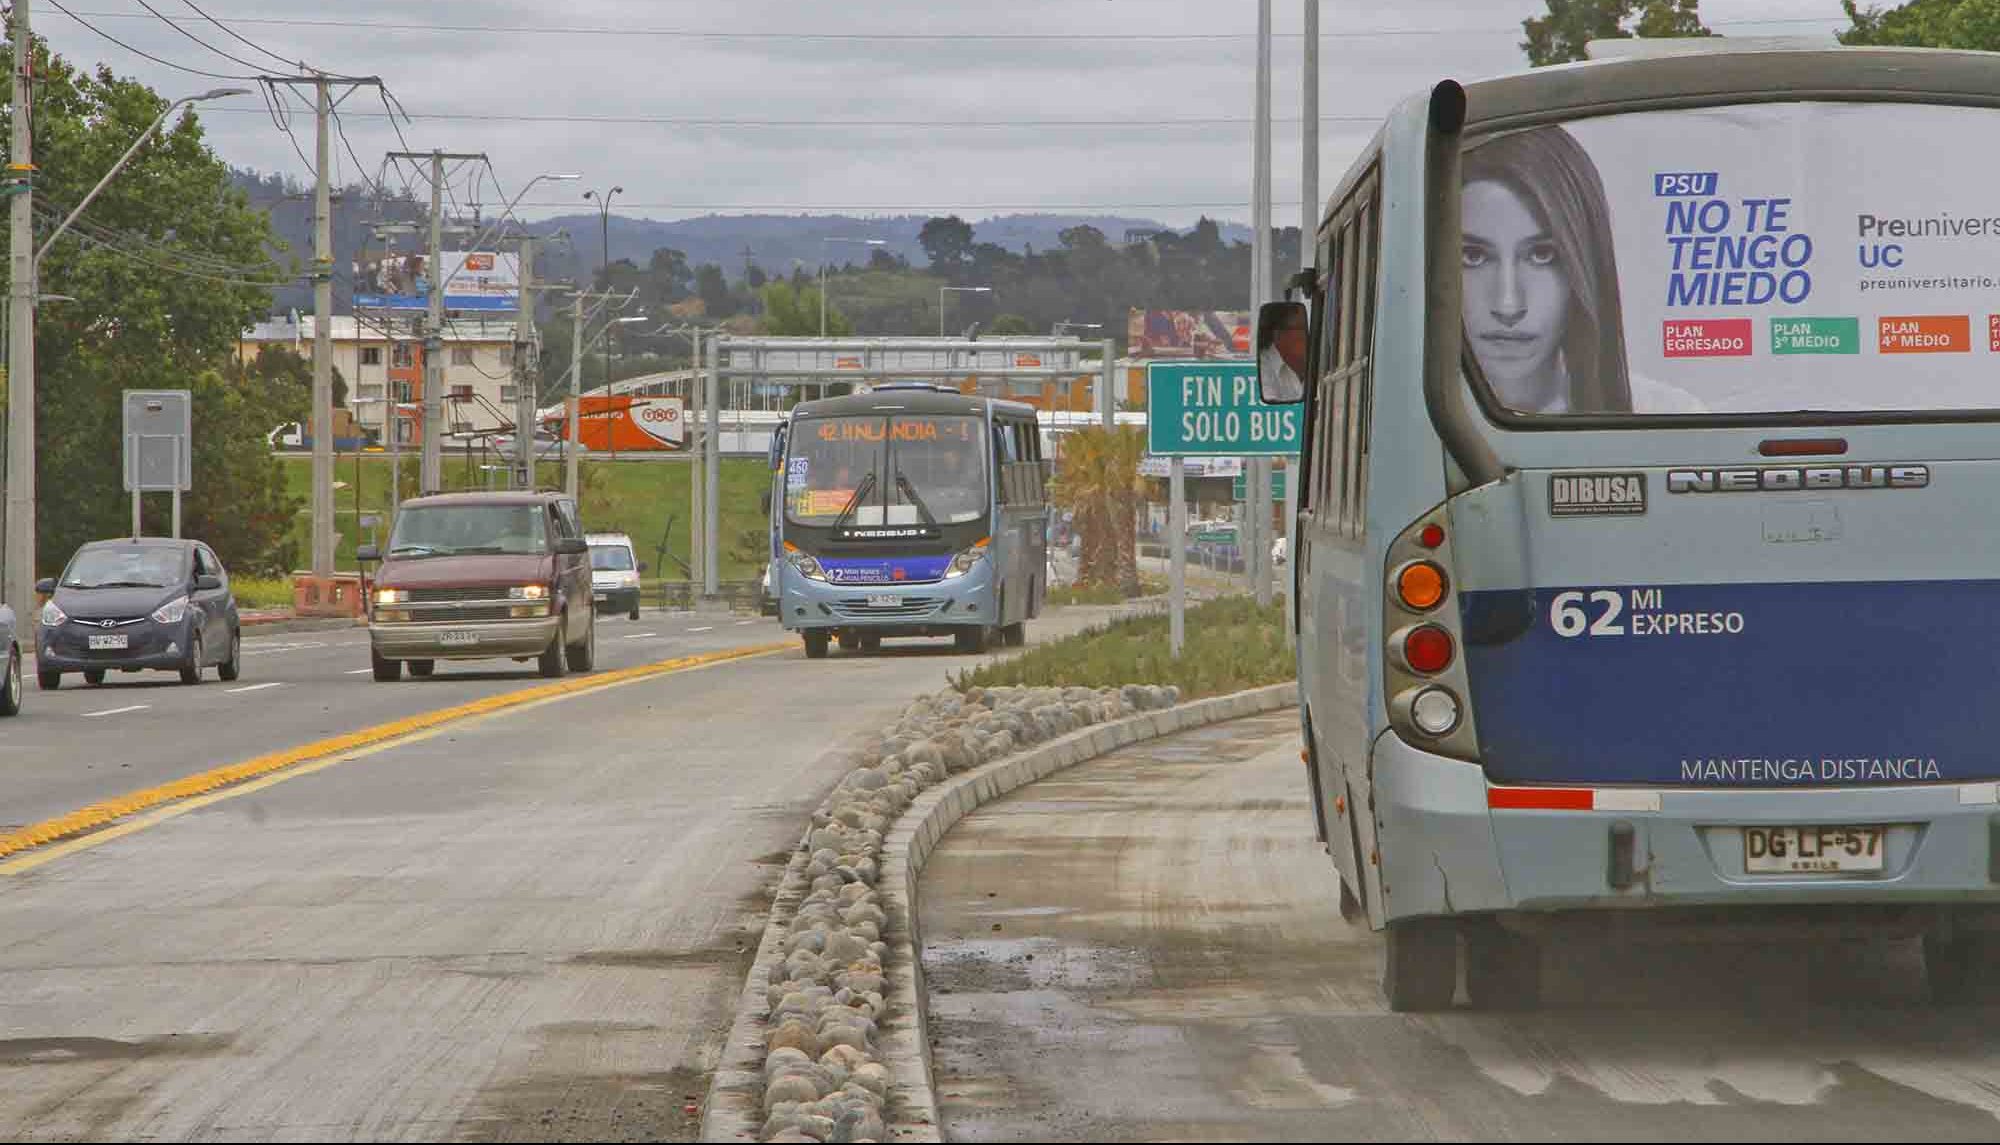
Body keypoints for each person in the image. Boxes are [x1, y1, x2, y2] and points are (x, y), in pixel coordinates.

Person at [1461, 126, 1701, 415]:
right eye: (1473, 256)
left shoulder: (1667, 415)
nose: (1508, 305)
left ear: (1584, 265)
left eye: (1542, 255)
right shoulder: (1403, 424)